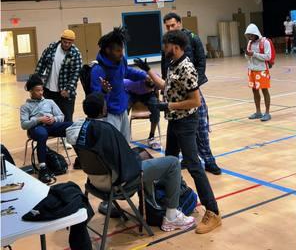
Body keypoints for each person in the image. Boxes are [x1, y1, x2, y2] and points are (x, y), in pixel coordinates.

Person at [68, 92, 196, 232]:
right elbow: (126, 163)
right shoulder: (107, 130)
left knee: (140, 152)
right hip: (118, 183)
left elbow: (116, 157)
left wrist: (137, 155)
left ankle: (154, 199)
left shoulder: (80, 130)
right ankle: (171, 217)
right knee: (173, 163)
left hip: (94, 182)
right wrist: (138, 159)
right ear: (103, 110)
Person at [134, 30, 222, 234]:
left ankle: (213, 212)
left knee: (193, 165)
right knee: (170, 162)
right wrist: (148, 70)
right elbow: (167, 86)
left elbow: (196, 101)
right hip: (174, 122)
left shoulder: (187, 68)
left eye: (165, 45)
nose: (163, 48)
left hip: (185, 122)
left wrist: (168, 107)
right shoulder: (174, 65)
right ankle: (174, 206)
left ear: (174, 45)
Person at [161, 13, 221, 175]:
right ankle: (186, 159)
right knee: (177, 130)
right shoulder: (166, 43)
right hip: (174, 93)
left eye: (173, 25)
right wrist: (164, 90)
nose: (170, 28)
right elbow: (164, 67)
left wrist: (194, 86)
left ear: (180, 23)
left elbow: (201, 62)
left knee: (200, 127)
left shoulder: (193, 38)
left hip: (191, 89)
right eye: (167, 26)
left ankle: (209, 160)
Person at [90, 27, 147, 143]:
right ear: (107, 50)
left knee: (125, 143)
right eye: (118, 51)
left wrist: (145, 75)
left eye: (122, 50)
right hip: (109, 114)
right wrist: (104, 92)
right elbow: (95, 99)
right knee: (113, 146)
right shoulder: (98, 70)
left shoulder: (121, 61)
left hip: (122, 109)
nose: (121, 54)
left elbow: (127, 72)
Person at [20, 74, 72, 183]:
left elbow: (61, 117)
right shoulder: (25, 107)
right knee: (42, 134)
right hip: (37, 128)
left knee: (71, 126)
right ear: (31, 91)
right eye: (37, 90)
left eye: (42, 90)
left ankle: (81, 159)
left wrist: (54, 119)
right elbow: (24, 125)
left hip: (51, 126)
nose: (41, 92)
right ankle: (43, 168)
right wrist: (39, 120)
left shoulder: (50, 102)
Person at [35, 29, 82, 125]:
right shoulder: (52, 48)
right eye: (65, 42)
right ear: (61, 40)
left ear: (72, 42)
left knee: (66, 118)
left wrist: (67, 89)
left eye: (69, 43)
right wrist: (35, 81)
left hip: (65, 93)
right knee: (49, 118)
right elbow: (41, 64)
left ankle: (67, 139)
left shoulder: (75, 53)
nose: (66, 45)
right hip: (49, 91)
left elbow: (76, 73)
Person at [245, 24, 272, 122]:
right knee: (254, 90)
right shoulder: (250, 43)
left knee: (264, 90)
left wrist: (254, 54)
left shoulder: (265, 42)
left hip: (262, 70)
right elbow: (248, 57)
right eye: (248, 35)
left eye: (251, 35)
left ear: (256, 33)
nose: (250, 37)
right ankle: (258, 112)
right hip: (252, 70)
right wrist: (247, 55)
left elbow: (268, 57)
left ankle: (267, 113)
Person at [125, 77, 161, 149]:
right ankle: (124, 137)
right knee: (124, 109)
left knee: (156, 109)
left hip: (149, 95)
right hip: (133, 93)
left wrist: (157, 101)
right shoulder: (131, 83)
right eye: (148, 88)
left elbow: (157, 91)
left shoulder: (156, 79)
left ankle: (151, 136)